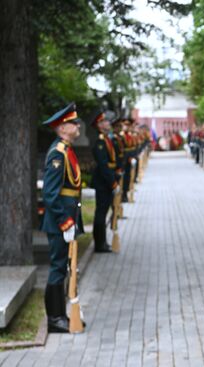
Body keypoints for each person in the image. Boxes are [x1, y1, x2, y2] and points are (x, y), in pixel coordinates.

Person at [40, 102, 85, 333]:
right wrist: (64, 221)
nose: (77, 125)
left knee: (65, 266)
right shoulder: (57, 154)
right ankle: (55, 319)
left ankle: (61, 314)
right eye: (72, 122)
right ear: (62, 128)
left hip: (68, 216)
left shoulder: (66, 150)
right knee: (58, 266)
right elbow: (50, 193)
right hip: (61, 220)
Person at [90, 110, 119, 253]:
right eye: (105, 121)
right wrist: (112, 183)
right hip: (103, 182)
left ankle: (103, 242)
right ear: (100, 125)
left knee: (104, 211)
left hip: (106, 181)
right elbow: (103, 165)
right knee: (101, 213)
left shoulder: (107, 139)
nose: (108, 123)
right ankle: (99, 243)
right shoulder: (100, 142)